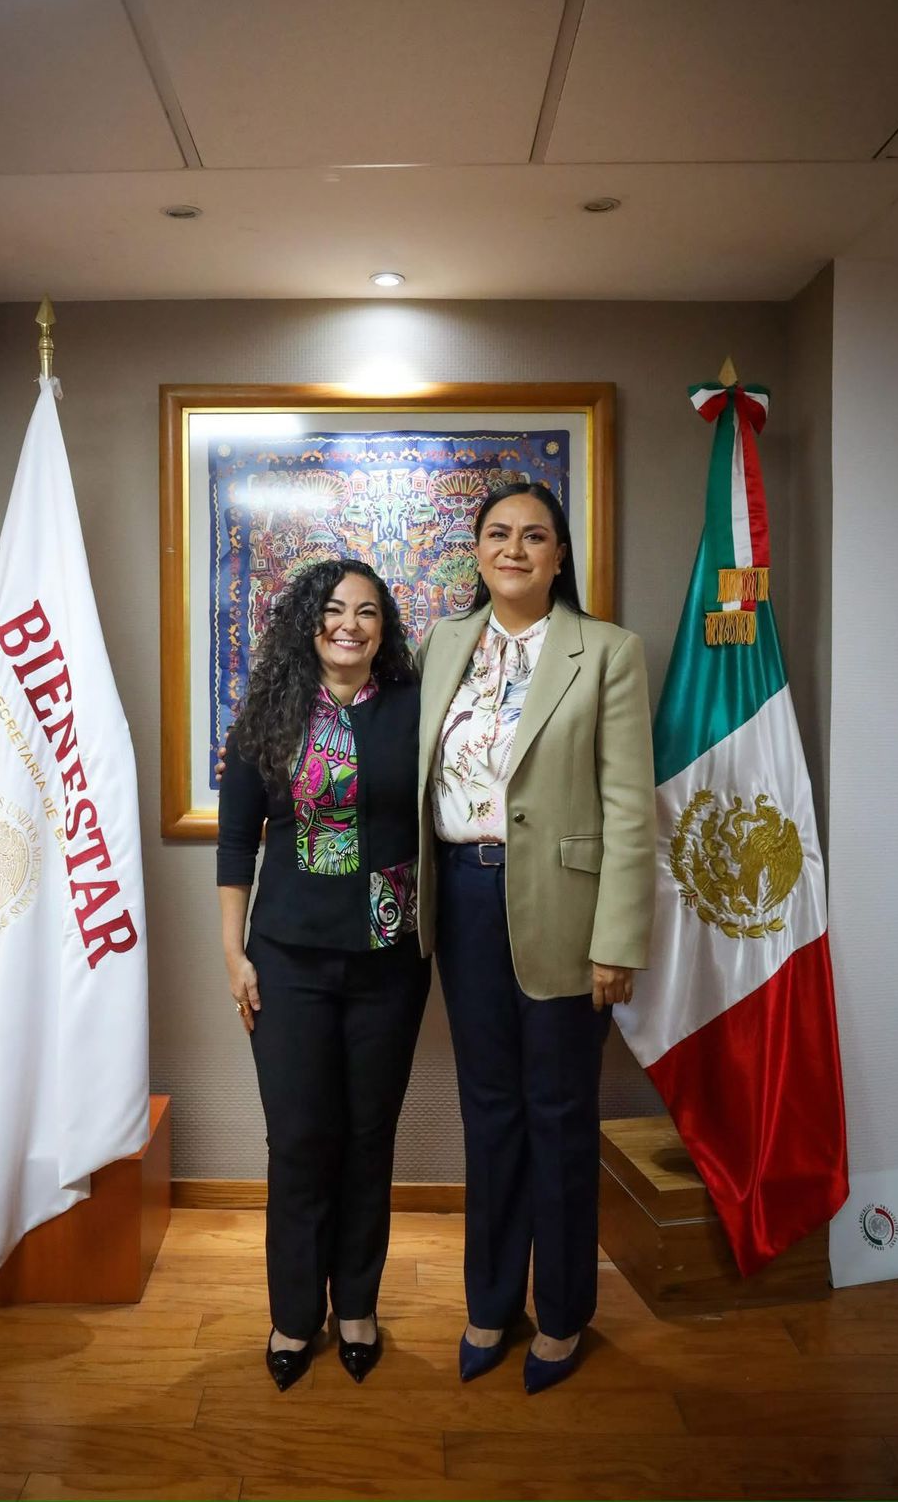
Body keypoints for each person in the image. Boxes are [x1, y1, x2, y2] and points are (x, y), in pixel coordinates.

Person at [415, 482, 656, 1394]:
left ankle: (561, 1315)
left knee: (560, 1116)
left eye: (535, 536)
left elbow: (632, 807)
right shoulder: (441, 646)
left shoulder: (610, 654)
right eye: (498, 534)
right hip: (465, 907)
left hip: (567, 912)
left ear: (560, 556)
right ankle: (491, 1304)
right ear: (475, 550)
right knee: (491, 1113)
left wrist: (617, 940)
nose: (514, 549)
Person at [217, 559, 430, 1391]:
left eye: (368, 613)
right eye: (335, 610)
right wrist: (232, 956)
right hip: (289, 963)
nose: (351, 625)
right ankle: (293, 1315)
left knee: (368, 1140)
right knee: (301, 1142)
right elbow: (238, 845)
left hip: (389, 964)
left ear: (385, 629)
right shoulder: (269, 716)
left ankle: (358, 1307)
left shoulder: (413, 712)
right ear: (309, 621)